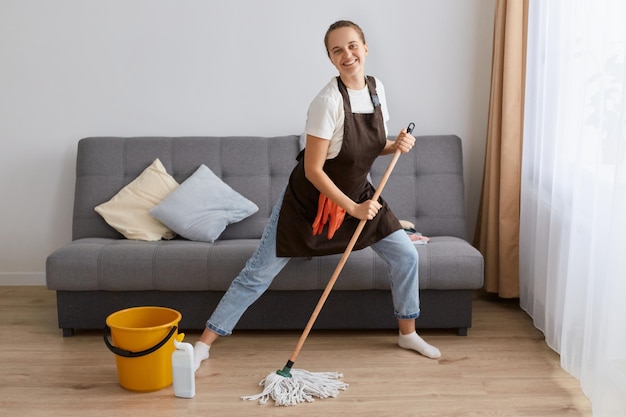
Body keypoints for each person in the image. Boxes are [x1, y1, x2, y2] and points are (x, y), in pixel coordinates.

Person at [193, 19, 441, 372]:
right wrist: (353, 208)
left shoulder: (375, 89)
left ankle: (407, 332)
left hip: (359, 195)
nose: (347, 55)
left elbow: (368, 148)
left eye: (353, 46)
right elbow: (313, 170)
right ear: (330, 58)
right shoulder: (326, 103)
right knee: (257, 274)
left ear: (366, 48)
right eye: (337, 50)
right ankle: (204, 344)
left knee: (405, 256)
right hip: (309, 203)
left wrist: (395, 145)